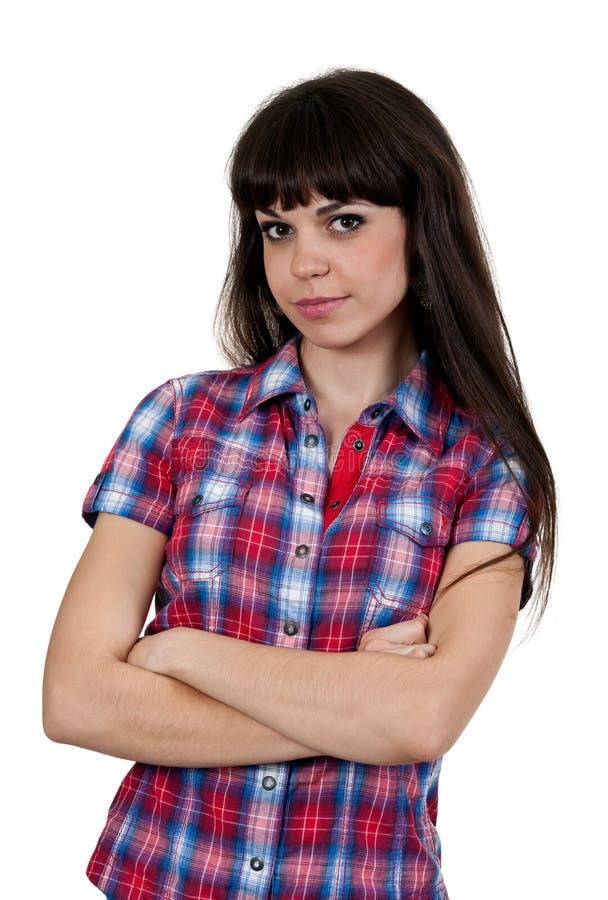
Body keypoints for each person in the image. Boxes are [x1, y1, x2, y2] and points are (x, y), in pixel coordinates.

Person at [42, 67, 556, 900]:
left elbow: (421, 719)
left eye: (344, 221)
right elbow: (74, 698)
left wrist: (177, 653)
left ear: (423, 229)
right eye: (277, 229)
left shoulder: (485, 463)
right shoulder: (180, 421)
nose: (305, 262)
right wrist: (351, 699)